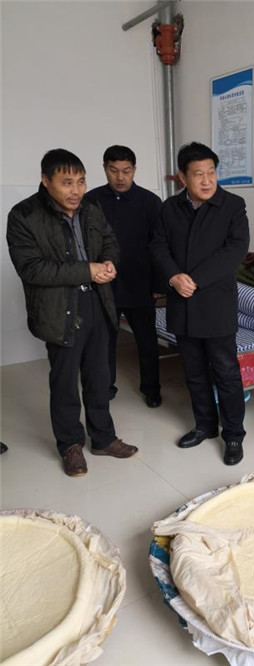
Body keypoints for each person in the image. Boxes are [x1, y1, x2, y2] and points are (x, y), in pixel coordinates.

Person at [7, 149, 138, 477]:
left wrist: (108, 262)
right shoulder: (24, 215)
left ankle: (103, 438)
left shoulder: (91, 208)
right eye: (67, 182)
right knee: (65, 381)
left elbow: (109, 242)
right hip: (59, 308)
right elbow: (32, 269)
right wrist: (87, 270)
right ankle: (70, 445)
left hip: (97, 301)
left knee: (99, 376)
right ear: (45, 180)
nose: (76, 190)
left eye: (81, 181)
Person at [150, 142, 249, 465]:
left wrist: (193, 279)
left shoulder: (232, 206)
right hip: (181, 304)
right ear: (182, 177)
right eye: (198, 174)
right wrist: (173, 277)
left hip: (215, 304)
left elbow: (235, 250)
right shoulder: (169, 208)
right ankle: (204, 425)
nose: (207, 181)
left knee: (226, 372)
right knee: (193, 372)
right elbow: (158, 247)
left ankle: (233, 435)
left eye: (211, 172)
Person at [87, 145, 163, 408]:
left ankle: (151, 388)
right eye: (114, 170)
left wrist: (158, 285)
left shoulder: (150, 202)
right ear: (104, 169)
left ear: (134, 170)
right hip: (103, 283)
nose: (120, 177)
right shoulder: (91, 200)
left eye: (126, 171)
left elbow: (160, 246)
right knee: (104, 340)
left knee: (147, 341)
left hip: (140, 283)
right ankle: (106, 386)